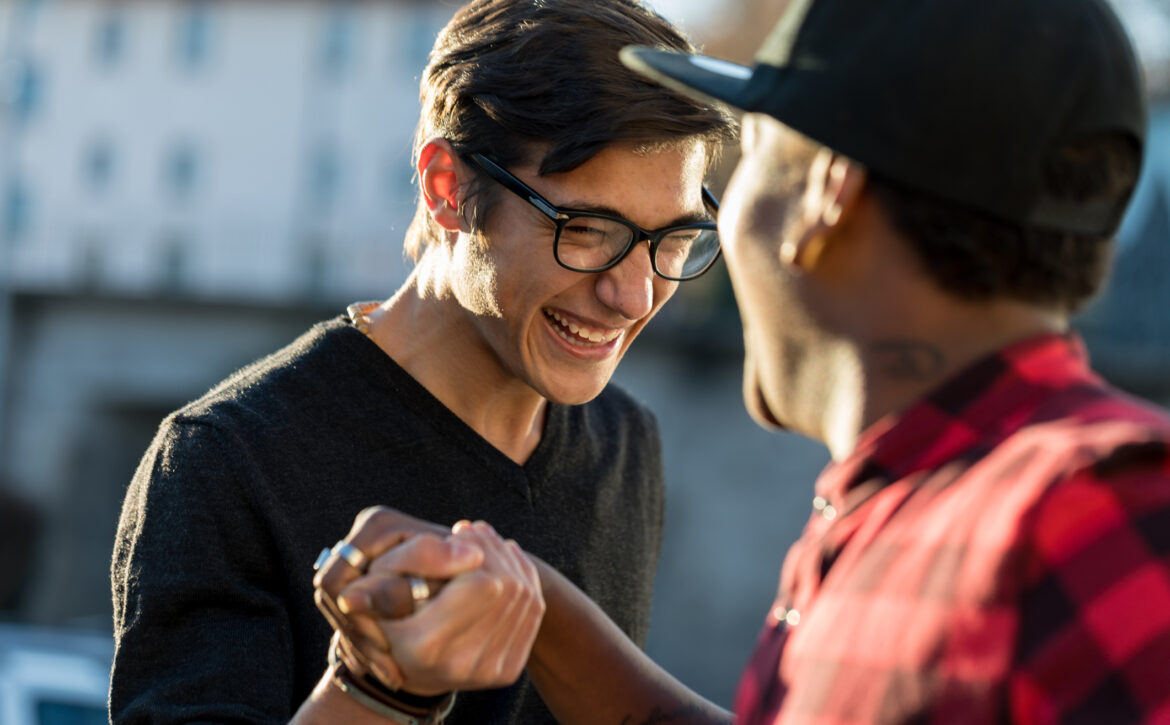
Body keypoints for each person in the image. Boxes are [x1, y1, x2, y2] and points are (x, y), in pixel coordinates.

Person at [316, 0, 1170, 721]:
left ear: (826, 193)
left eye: (750, 154)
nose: (636, 290)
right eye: (588, 230)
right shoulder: (915, 509)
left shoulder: (1106, 515)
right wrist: (534, 608)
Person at [108, 0, 734, 722]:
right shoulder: (225, 460)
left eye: (677, 239)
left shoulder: (626, 442)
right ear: (447, 188)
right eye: (589, 230)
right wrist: (375, 688)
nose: (633, 295)